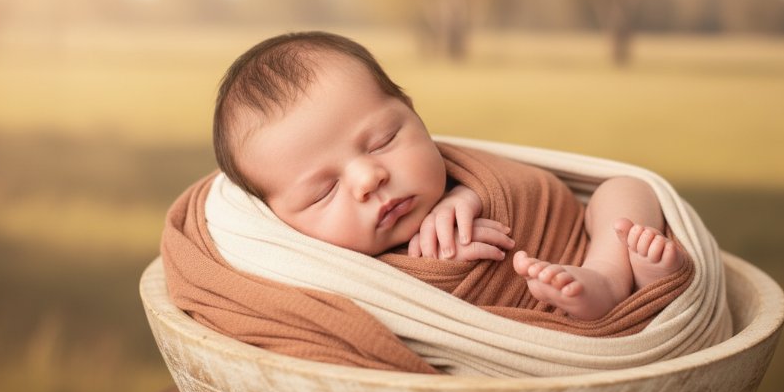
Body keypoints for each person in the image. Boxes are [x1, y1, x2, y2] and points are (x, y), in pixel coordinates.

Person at [212, 31, 686, 321]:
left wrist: (468, 195)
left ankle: (615, 274)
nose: (368, 179)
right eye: (325, 190)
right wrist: (445, 270)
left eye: (382, 141)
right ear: (276, 219)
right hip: (532, 332)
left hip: (580, 248)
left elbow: (527, 191)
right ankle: (643, 288)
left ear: (414, 115)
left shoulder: (455, 177)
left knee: (626, 190)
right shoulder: (322, 272)